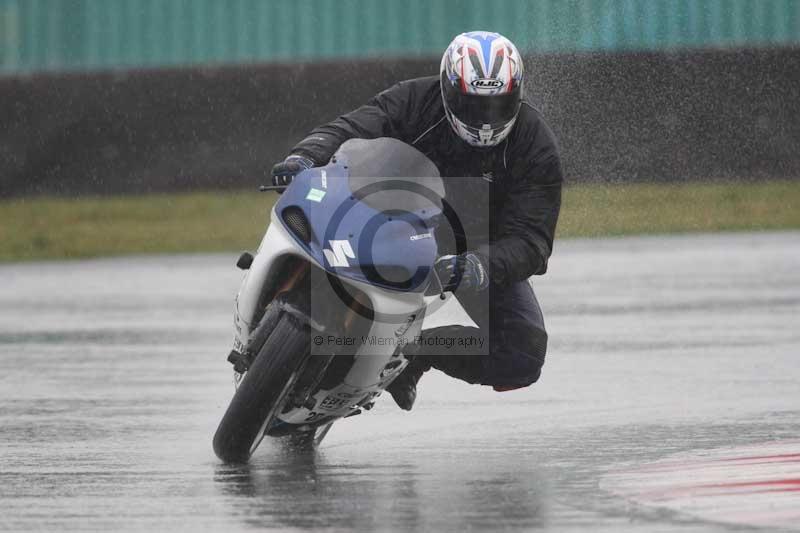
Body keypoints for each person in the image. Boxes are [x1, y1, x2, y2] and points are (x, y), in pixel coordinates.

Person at [271, 31, 563, 410]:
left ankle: (416, 353)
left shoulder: (535, 143)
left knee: (523, 354)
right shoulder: (414, 99)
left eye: (498, 104)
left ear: (517, 95)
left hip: (475, 250)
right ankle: (279, 293)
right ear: (447, 90)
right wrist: (305, 157)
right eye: (473, 105)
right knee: (312, 215)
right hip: (389, 218)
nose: (486, 119)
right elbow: (354, 126)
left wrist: (480, 265)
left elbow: (533, 239)